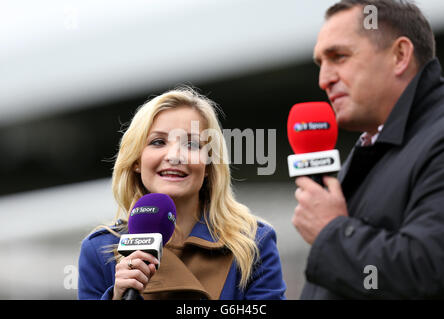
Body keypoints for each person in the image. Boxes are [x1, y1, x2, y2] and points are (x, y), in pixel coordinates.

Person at [292, 0, 444, 299]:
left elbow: (428, 270)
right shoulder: (375, 146)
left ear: (399, 55)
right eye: (321, 63)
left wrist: (331, 231)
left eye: (339, 57)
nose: (324, 80)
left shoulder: (436, 140)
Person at [78, 86, 286, 300]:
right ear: (136, 161)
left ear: (209, 165)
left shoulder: (252, 243)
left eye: (192, 144)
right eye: (158, 142)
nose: (175, 156)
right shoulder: (99, 250)